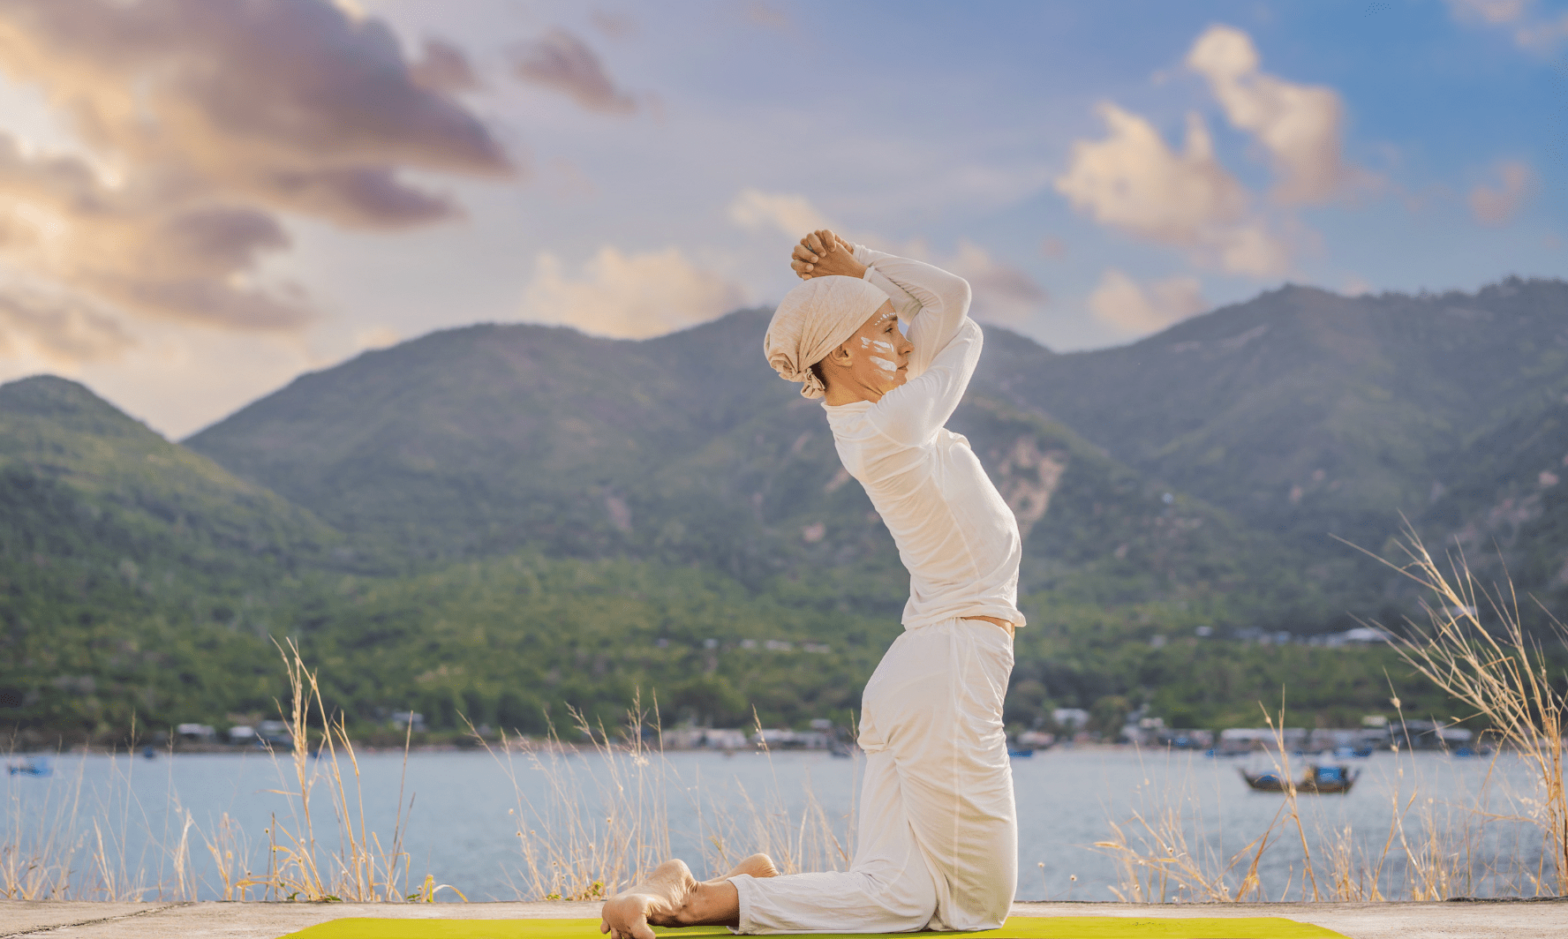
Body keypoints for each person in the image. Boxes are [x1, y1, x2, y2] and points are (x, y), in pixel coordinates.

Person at [600, 231, 1023, 938]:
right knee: (974, 909)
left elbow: (947, 296)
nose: (906, 338)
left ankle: (712, 891)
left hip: (928, 672)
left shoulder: (887, 408)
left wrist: (862, 269)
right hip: (947, 670)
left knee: (901, 896)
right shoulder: (888, 425)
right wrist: (873, 286)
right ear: (847, 352)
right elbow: (966, 325)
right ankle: (698, 899)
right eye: (888, 327)